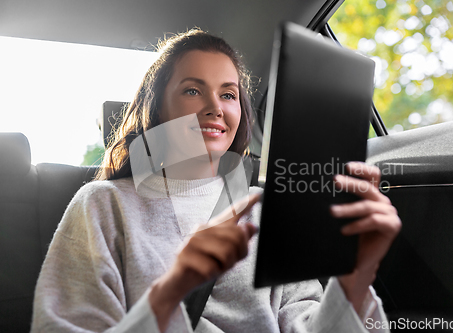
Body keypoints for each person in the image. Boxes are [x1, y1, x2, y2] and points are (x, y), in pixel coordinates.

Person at [31, 28, 401, 333]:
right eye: (193, 90)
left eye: (228, 94)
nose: (216, 107)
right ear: (157, 107)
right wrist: (173, 291)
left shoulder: (270, 207)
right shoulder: (102, 204)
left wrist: (356, 276)